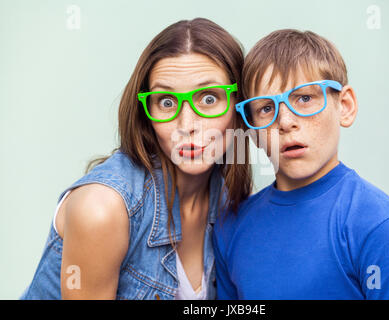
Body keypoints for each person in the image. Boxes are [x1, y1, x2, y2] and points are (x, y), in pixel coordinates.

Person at [20, 18, 252, 300]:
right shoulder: (102, 208)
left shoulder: (227, 200)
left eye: (209, 99)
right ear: (146, 114)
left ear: (239, 105)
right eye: (167, 102)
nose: (187, 124)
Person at [213, 29, 389, 299]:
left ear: (345, 106)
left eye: (304, 98)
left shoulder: (379, 226)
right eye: (266, 109)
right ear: (251, 129)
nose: (285, 122)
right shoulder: (230, 229)